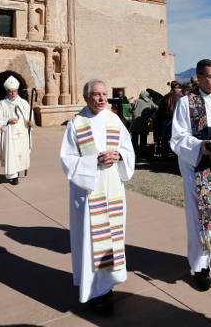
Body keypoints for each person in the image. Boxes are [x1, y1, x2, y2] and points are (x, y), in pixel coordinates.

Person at [59, 79, 136, 314]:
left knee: (112, 236)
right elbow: (67, 160)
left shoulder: (114, 120)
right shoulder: (76, 125)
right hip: (88, 192)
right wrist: (95, 161)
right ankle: (94, 292)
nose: (102, 98)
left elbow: (128, 147)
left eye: (104, 94)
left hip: (112, 189)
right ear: (86, 97)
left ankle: (108, 284)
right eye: (96, 94)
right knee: (91, 241)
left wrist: (120, 157)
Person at [170, 59, 211, 291]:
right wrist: (200, 147)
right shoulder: (186, 103)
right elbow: (178, 137)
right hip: (197, 168)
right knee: (200, 218)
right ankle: (200, 267)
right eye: (210, 76)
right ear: (198, 77)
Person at [0, 76, 32, 185]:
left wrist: (30, 123)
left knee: (20, 154)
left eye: (14, 91)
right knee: (10, 154)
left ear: (17, 91)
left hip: (22, 134)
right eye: (10, 91)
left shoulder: (23, 103)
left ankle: (17, 173)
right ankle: (13, 176)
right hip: (9, 134)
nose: (12, 93)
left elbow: (30, 116)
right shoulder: (2, 104)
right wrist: (8, 121)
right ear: (7, 92)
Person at [129, 89, 158, 158]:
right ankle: (142, 152)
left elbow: (131, 109)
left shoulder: (136, 101)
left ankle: (134, 152)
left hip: (135, 122)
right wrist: (152, 115)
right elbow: (157, 108)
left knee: (134, 139)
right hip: (144, 123)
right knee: (143, 139)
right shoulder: (150, 102)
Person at [158, 81, 181, 157]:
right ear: (177, 87)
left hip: (165, 119)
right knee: (175, 137)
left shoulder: (165, 97)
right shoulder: (180, 97)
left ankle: (165, 154)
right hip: (176, 120)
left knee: (164, 138)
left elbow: (160, 109)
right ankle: (175, 154)